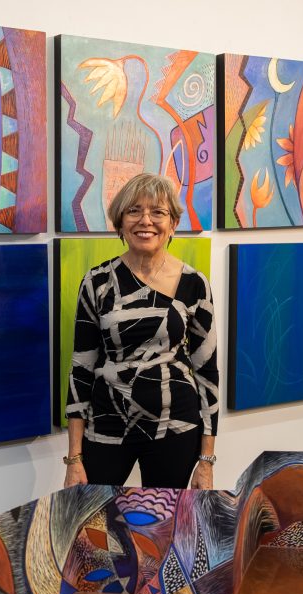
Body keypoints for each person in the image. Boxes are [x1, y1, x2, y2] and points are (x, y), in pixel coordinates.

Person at [63, 173, 219, 490]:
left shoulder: (194, 284)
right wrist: (74, 458)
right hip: (107, 424)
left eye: (157, 212)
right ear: (120, 223)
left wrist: (207, 460)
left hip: (176, 427)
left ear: (172, 223)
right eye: (134, 211)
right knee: (94, 527)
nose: (145, 220)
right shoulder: (97, 282)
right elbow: (81, 369)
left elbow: (207, 371)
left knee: (165, 530)